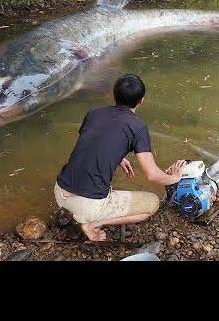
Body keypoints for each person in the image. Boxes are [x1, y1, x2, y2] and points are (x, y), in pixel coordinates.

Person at [54, 73, 186, 242]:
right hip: (88, 207)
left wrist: (117, 158)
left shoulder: (93, 113)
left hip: (60, 192)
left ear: (113, 94)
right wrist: (174, 177)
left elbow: (89, 146)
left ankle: (82, 215)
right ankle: (92, 225)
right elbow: (152, 174)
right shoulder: (138, 127)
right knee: (152, 204)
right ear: (141, 101)